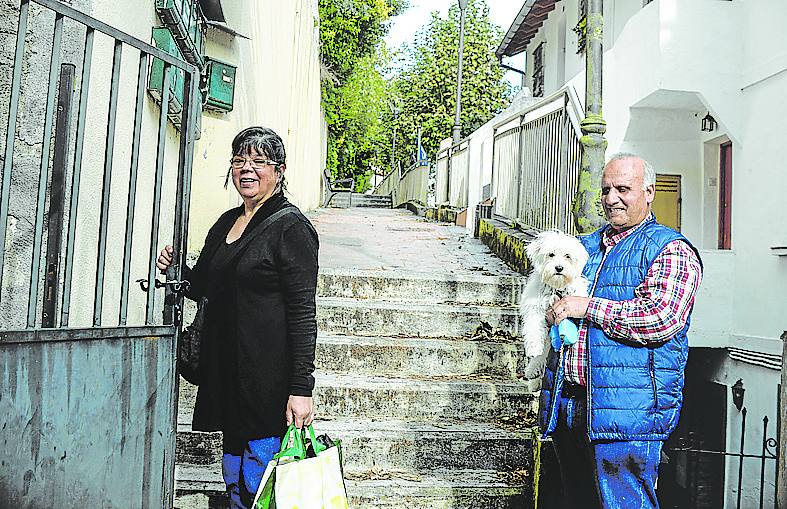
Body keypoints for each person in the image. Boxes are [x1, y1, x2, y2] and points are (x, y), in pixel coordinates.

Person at [156, 126, 319, 508]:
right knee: (232, 469)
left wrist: (301, 387)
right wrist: (177, 269)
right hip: (228, 372)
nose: (247, 169)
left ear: (279, 171)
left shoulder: (291, 228)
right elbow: (205, 285)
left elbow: (302, 314)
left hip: (267, 378)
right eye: (239, 160)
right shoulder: (227, 221)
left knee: (257, 474)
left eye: (259, 162)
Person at [541, 153, 703, 509]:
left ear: (649, 191)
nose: (611, 198)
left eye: (623, 189)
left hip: (629, 414)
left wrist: (588, 307)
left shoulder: (670, 249)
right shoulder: (583, 247)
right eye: (606, 190)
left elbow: (660, 318)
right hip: (570, 405)